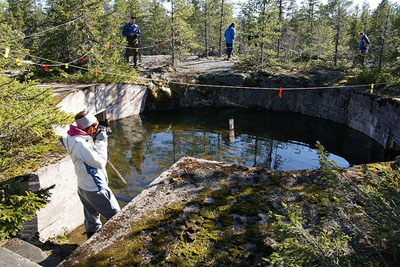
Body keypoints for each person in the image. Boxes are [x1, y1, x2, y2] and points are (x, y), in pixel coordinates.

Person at [61, 111, 120, 239]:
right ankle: (118, 241)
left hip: (83, 187)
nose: (98, 130)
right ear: (91, 126)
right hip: (95, 188)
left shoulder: (71, 137)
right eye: (96, 126)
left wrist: (93, 138)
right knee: (118, 217)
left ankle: (91, 241)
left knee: (92, 220)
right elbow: (99, 162)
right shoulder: (80, 143)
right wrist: (101, 141)